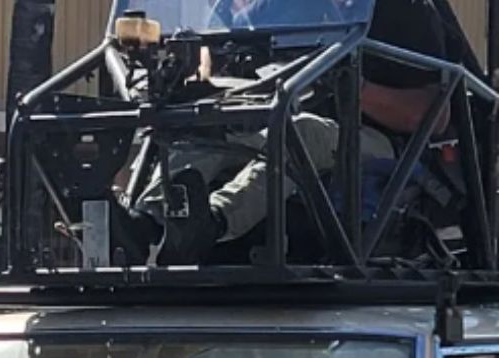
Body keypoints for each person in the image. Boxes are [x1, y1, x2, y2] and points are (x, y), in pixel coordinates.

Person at [121, 0, 450, 264]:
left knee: (302, 133)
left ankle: (213, 223)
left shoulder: (403, 11)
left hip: (375, 143)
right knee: (205, 129)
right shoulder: (272, 9)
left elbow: (435, 117)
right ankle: (145, 223)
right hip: (277, 118)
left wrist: (355, 87)